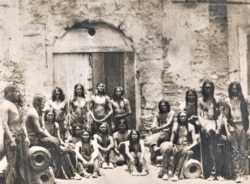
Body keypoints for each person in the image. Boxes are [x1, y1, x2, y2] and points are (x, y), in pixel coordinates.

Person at [0, 85, 30, 184]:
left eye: (18, 91)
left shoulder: (16, 105)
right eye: (16, 92)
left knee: (23, 163)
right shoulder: (5, 105)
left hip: (21, 136)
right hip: (12, 137)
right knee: (12, 164)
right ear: (9, 93)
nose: (18, 94)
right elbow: (4, 124)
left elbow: (22, 123)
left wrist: (26, 137)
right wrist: (11, 139)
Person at [25, 94, 61, 175]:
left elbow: (43, 128)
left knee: (56, 141)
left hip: (39, 137)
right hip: (32, 139)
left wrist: (51, 137)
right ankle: (54, 168)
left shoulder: (40, 112)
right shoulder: (33, 113)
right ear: (38, 103)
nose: (44, 104)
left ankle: (57, 170)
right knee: (54, 143)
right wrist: (51, 139)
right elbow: (38, 130)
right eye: (43, 102)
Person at [43, 109, 81, 180]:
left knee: (70, 150)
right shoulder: (43, 124)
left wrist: (64, 144)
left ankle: (77, 171)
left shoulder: (56, 124)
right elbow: (47, 136)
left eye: (52, 115)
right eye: (49, 115)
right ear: (46, 115)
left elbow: (59, 137)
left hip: (56, 142)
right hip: (48, 144)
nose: (50, 117)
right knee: (63, 151)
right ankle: (73, 173)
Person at [159, 111, 197, 181]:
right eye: (181, 116)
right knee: (168, 150)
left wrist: (189, 147)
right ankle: (165, 172)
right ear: (179, 117)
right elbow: (172, 140)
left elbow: (195, 141)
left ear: (187, 117)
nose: (183, 118)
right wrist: (171, 145)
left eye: (184, 116)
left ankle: (176, 173)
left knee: (185, 152)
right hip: (177, 145)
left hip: (186, 145)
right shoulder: (175, 126)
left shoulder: (191, 126)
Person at [198, 80, 224, 181]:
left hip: (216, 123)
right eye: (206, 87)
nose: (208, 89)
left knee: (217, 150)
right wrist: (205, 127)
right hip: (206, 124)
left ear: (212, 88)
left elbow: (221, 114)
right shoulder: (201, 101)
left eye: (210, 87)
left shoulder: (217, 99)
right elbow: (199, 115)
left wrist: (218, 128)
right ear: (203, 89)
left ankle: (219, 173)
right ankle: (212, 173)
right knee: (209, 150)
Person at [224, 82, 250, 183]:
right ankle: (237, 174)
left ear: (239, 90)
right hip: (232, 126)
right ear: (230, 90)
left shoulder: (244, 101)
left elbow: (248, 115)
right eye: (232, 89)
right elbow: (225, 118)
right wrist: (227, 131)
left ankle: (243, 174)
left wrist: (249, 129)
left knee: (243, 151)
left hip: (242, 126)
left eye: (236, 89)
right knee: (235, 151)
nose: (234, 91)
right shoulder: (228, 101)